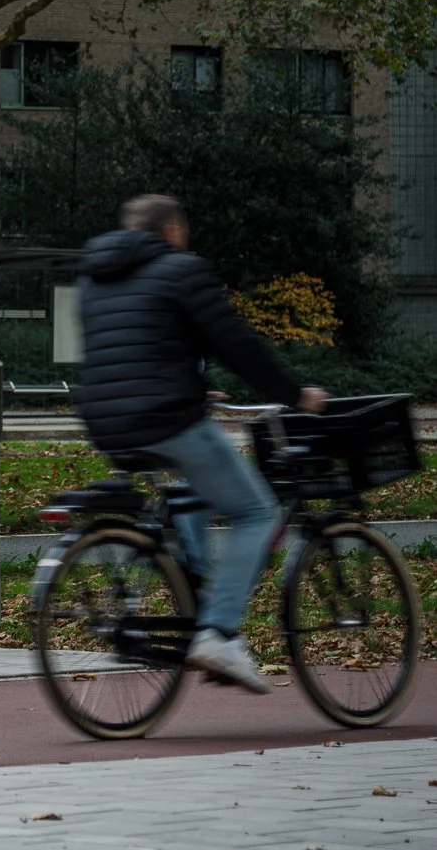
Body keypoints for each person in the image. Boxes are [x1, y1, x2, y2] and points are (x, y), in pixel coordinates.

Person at [72, 193, 327, 692]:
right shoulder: (181, 268)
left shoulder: (93, 277)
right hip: (166, 417)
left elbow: (129, 349)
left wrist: (185, 383)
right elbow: (235, 343)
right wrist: (295, 394)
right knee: (255, 511)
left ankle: (186, 591)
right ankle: (218, 633)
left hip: (105, 421)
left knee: (186, 496)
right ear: (171, 230)